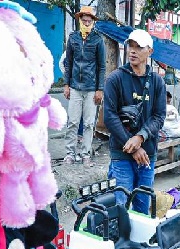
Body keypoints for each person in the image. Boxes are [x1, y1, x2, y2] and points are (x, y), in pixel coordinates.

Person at [103, 29, 165, 215]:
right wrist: (133, 145)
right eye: (131, 45)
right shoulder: (115, 79)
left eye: (139, 47)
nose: (133, 51)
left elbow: (159, 116)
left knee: (142, 206)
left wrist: (140, 137)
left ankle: (139, 244)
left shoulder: (157, 82)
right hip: (121, 153)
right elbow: (110, 117)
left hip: (148, 154)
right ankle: (121, 242)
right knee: (120, 206)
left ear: (150, 52)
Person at [62, 6, 106, 166]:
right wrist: (66, 84)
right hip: (74, 87)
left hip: (91, 89)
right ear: (79, 20)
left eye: (89, 21)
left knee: (88, 123)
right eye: (84, 20)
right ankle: (69, 154)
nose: (86, 23)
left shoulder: (98, 40)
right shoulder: (73, 38)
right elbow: (69, 63)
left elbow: (102, 66)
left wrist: (100, 89)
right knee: (73, 122)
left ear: (93, 22)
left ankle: (86, 154)